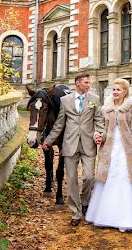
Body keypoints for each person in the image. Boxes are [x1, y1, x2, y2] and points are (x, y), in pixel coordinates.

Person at [86, 78, 132, 232]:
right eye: (113, 89)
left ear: (125, 92)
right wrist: (97, 135)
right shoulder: (105, 108)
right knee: (106, 178)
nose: (115, 92)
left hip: (125, 151)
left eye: (118, 90)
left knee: (123, 178)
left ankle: (125, 218)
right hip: (108, 149)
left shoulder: (130, 108)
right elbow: (99, 127)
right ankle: (105, 216)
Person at [42, 72, 104, 227]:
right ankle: (76, 213)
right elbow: (59, 124)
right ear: (77, 84)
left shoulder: (94, 100)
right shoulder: (65, 101)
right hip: (69, 145)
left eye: (89, 83)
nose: (88, 85)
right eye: (86, 82)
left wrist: (100, 135)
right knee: (71, 181)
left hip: (88, 144)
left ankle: (85, 202)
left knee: (89, 177)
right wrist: (48, 141)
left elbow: (99, 121)